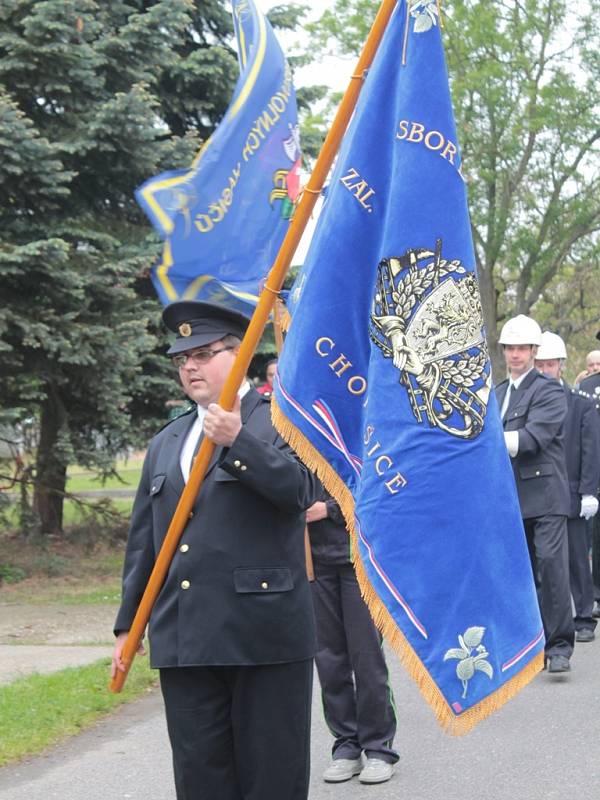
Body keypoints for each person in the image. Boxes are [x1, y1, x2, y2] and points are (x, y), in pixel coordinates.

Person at [111, 301, 319, 800]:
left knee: (271, 778)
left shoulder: (282, 420)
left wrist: (239, 442)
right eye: (182, 357)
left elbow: (302, 492)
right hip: (186, 637)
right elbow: (145, 541)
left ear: (240, 354)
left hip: (262, 635)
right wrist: (127, 625)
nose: (190, 366)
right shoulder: (168, 440)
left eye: (204, 353)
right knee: (200, 777)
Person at [495, 314, 574, 673]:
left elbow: (533, 439)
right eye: (510, 348)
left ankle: (558, 646)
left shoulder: (548, 390)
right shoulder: (496, 393)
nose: (515, 354)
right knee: (519, 574)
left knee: (551, 568)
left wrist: (486, 443)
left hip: (545, 496)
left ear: (533, 350)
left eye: (522, 348)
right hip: (510, 500)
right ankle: (530, 646)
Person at [306, 490, 398, 785]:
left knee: (366, 656)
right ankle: (346, 745)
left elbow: (381, 488)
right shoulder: (296, 442)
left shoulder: (363, 441)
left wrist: (330, 510)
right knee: (329, 660)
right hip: (313, 561)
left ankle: (378, 748)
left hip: (360, 558)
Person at [534, 331, 600, 641]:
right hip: (540, 494)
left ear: (561, 365)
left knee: (576, 558)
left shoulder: (580, 404)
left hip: (572, 491)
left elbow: (590, 451)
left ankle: (584, 617)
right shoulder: (528, 400)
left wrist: (589, 490)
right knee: (545, 563)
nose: (546, 370)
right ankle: (545, 622)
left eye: (550, 364)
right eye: (541, 364)